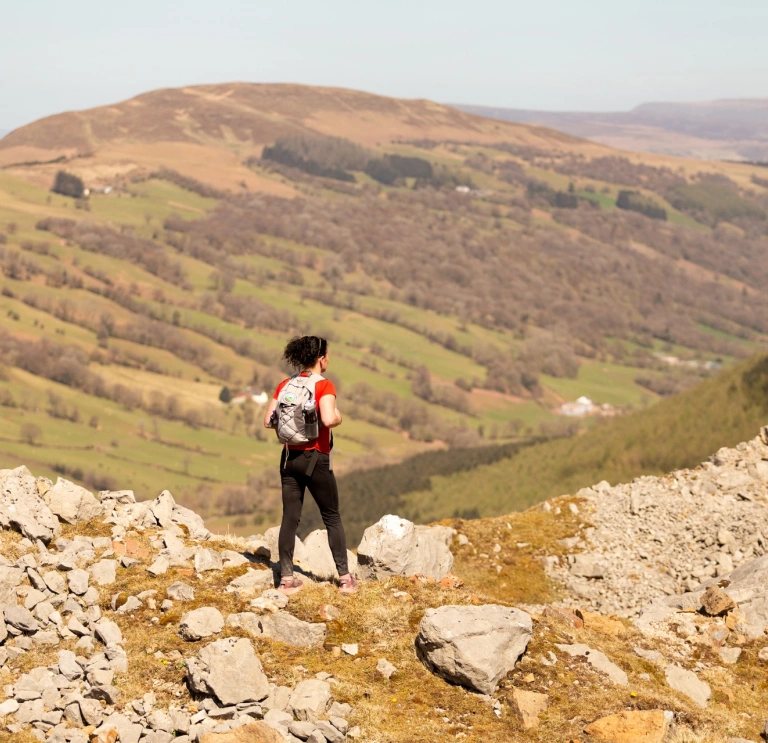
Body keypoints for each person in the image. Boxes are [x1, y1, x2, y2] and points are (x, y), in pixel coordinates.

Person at [264, 335, 359, 596]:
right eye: (327, 355)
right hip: (316, 458)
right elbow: (328, 419)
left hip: (288, 459)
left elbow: (268, 420)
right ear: (321, 358)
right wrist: (338, 417)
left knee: (289, 518)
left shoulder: (285, 385)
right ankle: (345, 579)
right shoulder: (324, 385)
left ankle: (286, 579)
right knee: (331, 516)